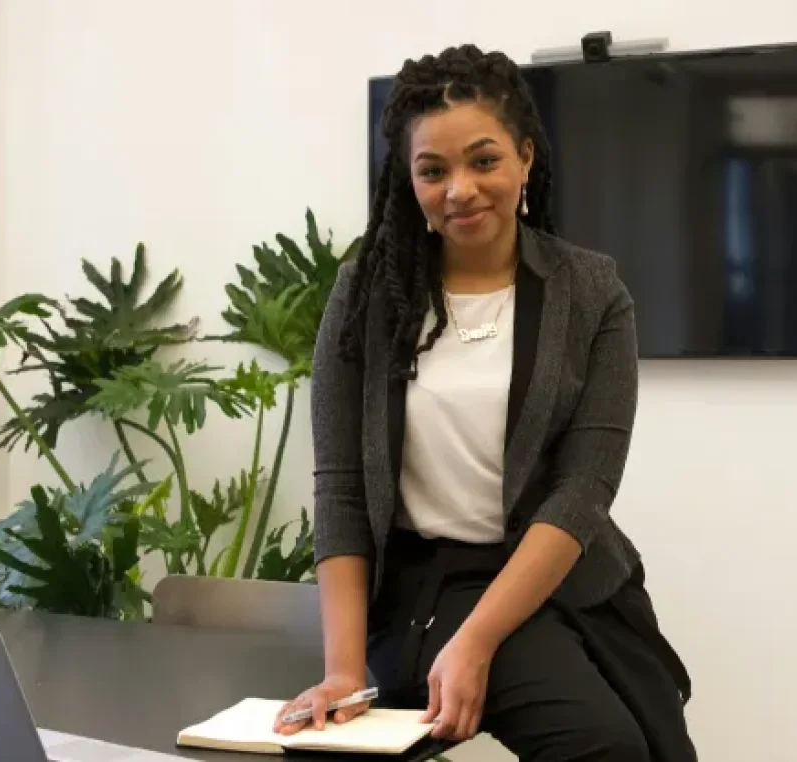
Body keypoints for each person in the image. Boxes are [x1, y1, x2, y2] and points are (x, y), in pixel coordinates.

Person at [273, 44, 698, 762]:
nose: (459, 189)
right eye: (432, 170)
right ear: (407, 180)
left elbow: (583, 490)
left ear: (525, 159)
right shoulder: (365, 294)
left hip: (538, 576)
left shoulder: (593, 293)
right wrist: (343, 672)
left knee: (622, 744)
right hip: (409, 586)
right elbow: (342, 489)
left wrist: (475, 642)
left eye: (484, 160)